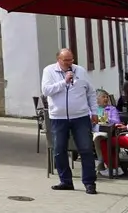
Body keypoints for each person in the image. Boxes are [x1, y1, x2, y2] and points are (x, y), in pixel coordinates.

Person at [40, 47, 97, 193]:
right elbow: (46, 91)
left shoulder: (81, 71)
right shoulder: (49, 71)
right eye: (66, 60)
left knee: (86, 149)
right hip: (58, 117)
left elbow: (90, 92)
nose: (69, 63)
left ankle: (89, 183)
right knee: (59, 150)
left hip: (81, 116)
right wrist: (64, 82)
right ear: (58, 60)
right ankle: (65, 181)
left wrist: (94, 112)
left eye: (71, 59)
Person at [91, 91, 122, 177]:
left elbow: (117, 121)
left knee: (98, 137)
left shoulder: (112, 109)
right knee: (96, 137)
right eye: (103, 97)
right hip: (93, 131)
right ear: (97, 99)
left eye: (107, 97)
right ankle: (101, 163)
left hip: (108, 132)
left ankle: (101, 163)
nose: (106, 99)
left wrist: (107, 119)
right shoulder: (93, 109)